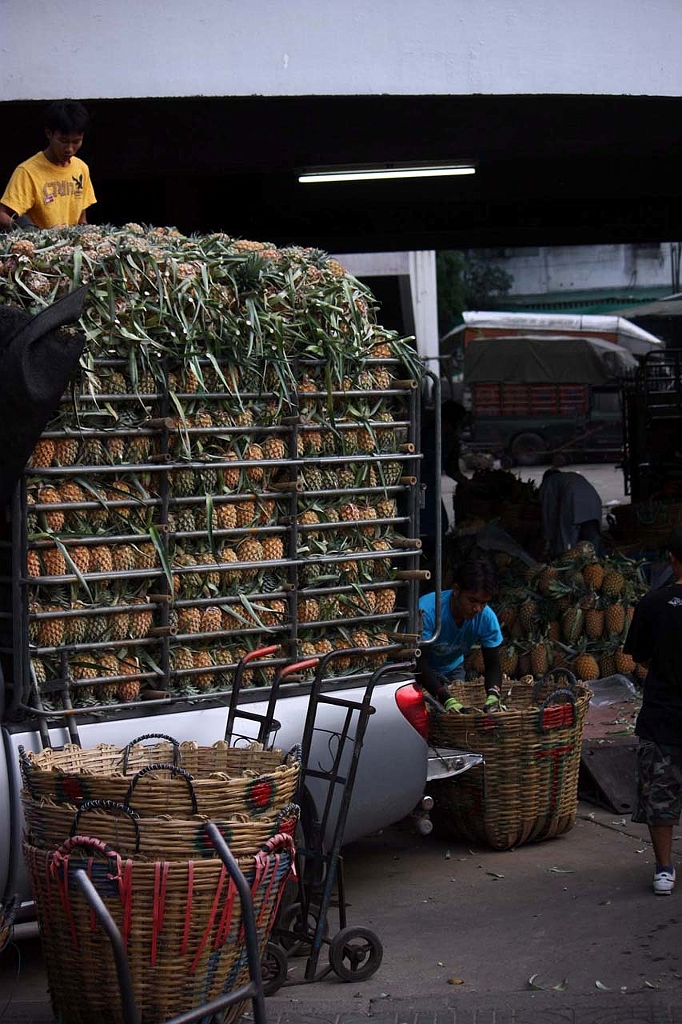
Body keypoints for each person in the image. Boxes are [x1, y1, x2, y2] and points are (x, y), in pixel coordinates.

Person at [623, 525, 682, 895]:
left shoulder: (652, 603)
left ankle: (664, 868)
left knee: (661, 796)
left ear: (672, 561)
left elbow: (639, 656)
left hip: (663, 715)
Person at [418, 556, 503, 713]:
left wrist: (493, 695)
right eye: (472, 600)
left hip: (453, 669)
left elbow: (493, 664)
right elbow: (418, 662)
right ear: (456, 590)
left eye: (483, 603)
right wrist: (445, 698)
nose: (477, 608)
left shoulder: (486, 618)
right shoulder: (427, 611)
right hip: (420, 671)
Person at [0, 100, 96, 231]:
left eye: (76, 142)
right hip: (42, 248)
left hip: (71, 248)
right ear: (49, 133)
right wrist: (29, 232)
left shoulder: (81, 168)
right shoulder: (27, 172)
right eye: (63, 141)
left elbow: (81, 216)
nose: (69, 149)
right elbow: (3, 214)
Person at [539, 468, 603, 560]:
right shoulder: (570, 476)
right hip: (594, 503)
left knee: (567, 542)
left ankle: (568, 565)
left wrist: (547, 536)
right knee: (592, 544)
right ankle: (595, 564)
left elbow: (549, 512)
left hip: (574, 502)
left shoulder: (549, 481)